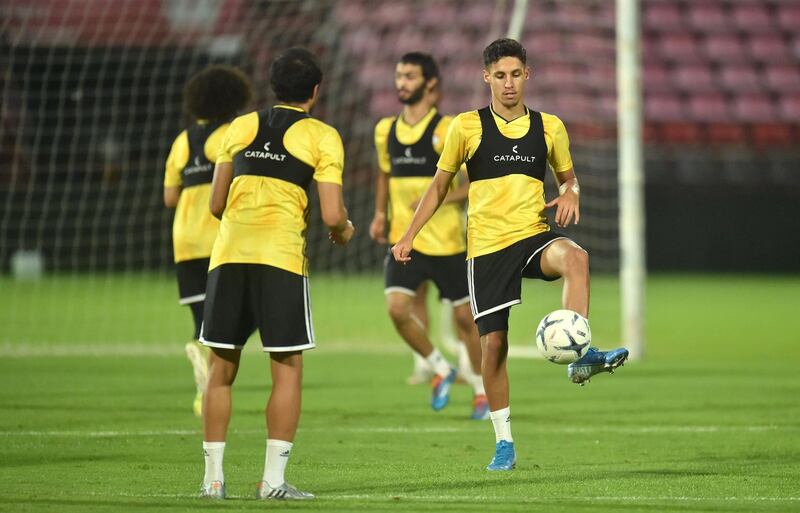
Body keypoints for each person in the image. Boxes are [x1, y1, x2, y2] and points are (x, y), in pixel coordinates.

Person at [391, 39, 629, 471]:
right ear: (486, 77)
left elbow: (568, 180)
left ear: (527, 75)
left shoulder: (549, 126)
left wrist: (571, 194)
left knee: (576, 257)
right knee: (494, 347)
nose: (508, 84)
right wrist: (409, 234)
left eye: (515, 74)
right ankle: (504, 442)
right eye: (499, 75)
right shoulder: (467, 127)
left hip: (533, 235)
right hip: (486, 248)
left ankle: (579, 355)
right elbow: (439, 186)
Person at [198, 47, 354, 500]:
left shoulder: (240, 126)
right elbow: (331, 216)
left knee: (220, 371)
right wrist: (344, 230)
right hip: (280, 260)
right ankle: (273, 482)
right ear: (316, 91)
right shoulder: (323, 136)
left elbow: (214, 203)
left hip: (228, 257)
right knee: (287, 369)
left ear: (272, 86)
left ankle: (212, 482)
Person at [369, 52, 487, 420]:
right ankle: (440, 367)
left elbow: (473, 184)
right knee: (397, 309)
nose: (401, 82)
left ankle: (482, 390)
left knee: (467, 321)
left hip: (448, 242)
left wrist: (437, 199)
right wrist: (379, 214)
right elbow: (384, 174)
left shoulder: (448, 128)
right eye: (398, 75)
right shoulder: (384, 130)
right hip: (406, 241)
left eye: (409, 76)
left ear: (430, 83)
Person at [163, 65, 253, 417]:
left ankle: (204, 382)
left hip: (185, 240)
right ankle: (210, 374)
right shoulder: (234, 133)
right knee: (243, 312)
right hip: (221, 238)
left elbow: (170, 196)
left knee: (203, 316)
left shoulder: (182, 141)